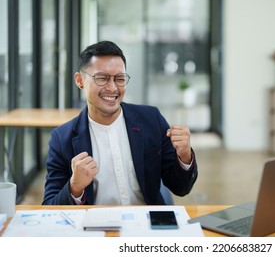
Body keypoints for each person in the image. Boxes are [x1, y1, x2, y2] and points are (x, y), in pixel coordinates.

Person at [43, 40, 198, 205]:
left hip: (147, 223)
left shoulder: (151, 120)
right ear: (80, 80)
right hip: (96, 226)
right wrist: (75, 187)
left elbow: (181, 188)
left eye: (119, 78)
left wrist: (185, 156)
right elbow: (50, 206)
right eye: (102, 78)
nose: (112, 88)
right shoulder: (62, 139)